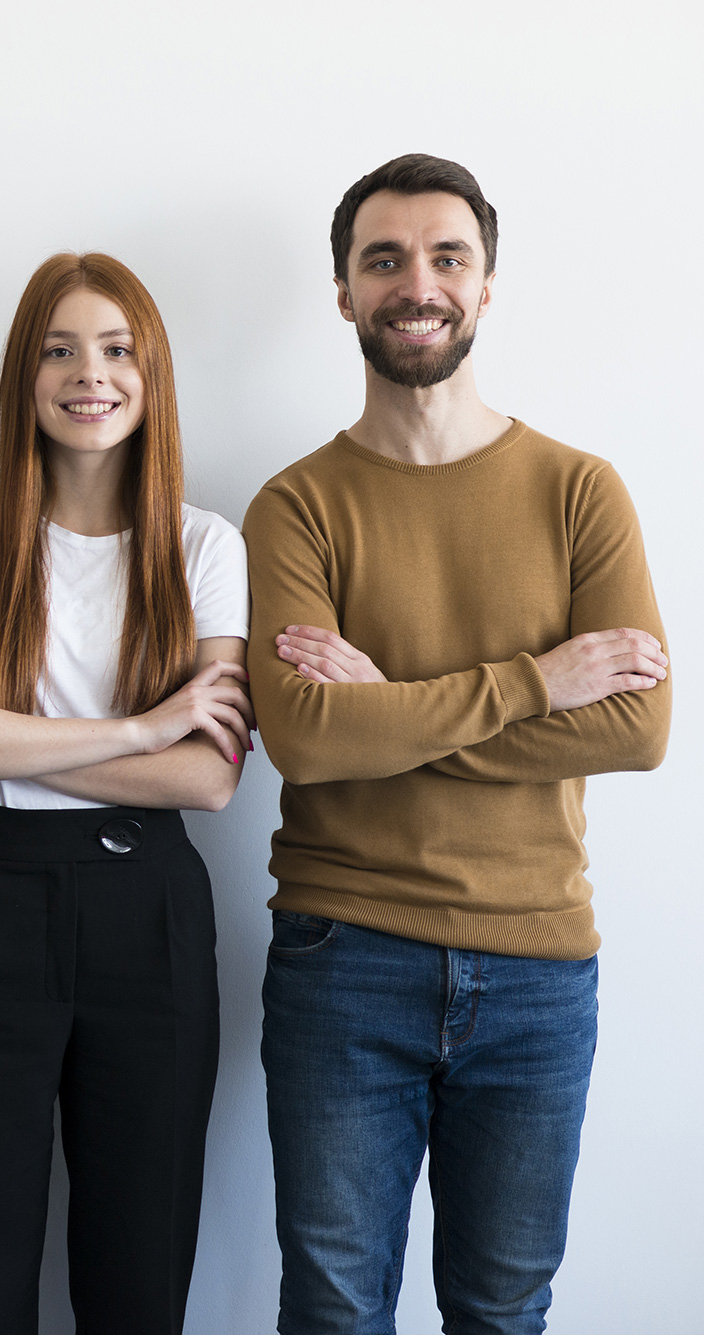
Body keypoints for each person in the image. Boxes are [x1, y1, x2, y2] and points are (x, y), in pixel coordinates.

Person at [245, 153, 671, 1334]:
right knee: (332, 1309)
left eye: (445, 258)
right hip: (344, 958)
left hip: (537, 965)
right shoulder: (296, 505)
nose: (414, 282)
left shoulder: (579, 492)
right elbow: (306, 739)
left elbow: (634, 729)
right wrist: (534, 683)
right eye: (382, 259)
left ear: (486, 288)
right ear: (341, 291)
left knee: (501, 1310)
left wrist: (395, 704)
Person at [0, 252, 250, 1334]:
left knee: (138, 1287)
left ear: (149, 374)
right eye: (56, 349)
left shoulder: (204, 545)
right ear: (22, 375)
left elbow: (207, 776)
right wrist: (138, 726)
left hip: (151, 920)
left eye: (113, 348)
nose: (86, 374)